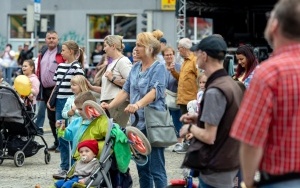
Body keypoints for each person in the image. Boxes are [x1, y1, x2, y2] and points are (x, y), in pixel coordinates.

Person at [230, 0, 300, 187]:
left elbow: (250, 139)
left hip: (283, 180)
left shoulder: (269, 73)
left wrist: (248, 181)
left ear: (275, 25)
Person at [101, 29, 168, 188]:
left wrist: (137, 104)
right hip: (137, 124)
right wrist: (110, 105)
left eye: (139, 45)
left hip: (154, 123)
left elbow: (155, 92)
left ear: (149, 49)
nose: (135, 48)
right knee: (142, 166)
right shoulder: (136, 68)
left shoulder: (158, 68)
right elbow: (125, 91)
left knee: (156, 168)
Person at [179, 35, 244, 188]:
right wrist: (199, 118)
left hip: (216, 167)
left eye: (197, 52)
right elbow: (227, 120)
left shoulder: (215, 90)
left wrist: (189, 128)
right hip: (227, 161)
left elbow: (209, 137)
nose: (195, 56)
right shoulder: (231, 83)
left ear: (205, 55)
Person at [49, 40, 85, 179]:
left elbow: (82, 86)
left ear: (71, 51)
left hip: (72, 103)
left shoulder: (77, 68)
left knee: (74, 135)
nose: (61, 52)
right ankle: (64, 167)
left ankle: (75, 166)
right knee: (62, 134)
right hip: (59, 103)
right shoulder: (60, 67)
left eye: (63, 50)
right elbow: (57, 85)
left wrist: (78, 105)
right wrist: (51, 99)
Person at [36, 31, 65, 151]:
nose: (51, 40)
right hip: (45, 90)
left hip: (58, 89)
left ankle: (61, 143)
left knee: (59, 117)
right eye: (49, 38)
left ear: (58, 40)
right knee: (51, 117)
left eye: (54, 38)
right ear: (46, 40)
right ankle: (56, 141)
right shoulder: (43, 53)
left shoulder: (61, 53)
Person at [100, 35, 132, 127]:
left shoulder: (123, 61)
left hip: (117, 104)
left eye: (105, 45)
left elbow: (131, 83)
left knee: (116, 134)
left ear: (113, 46)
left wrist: (112, 78)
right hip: (109, 104)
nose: (104, 49)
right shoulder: (113, 62)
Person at [162, 46, 183, 152]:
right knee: (164, 120)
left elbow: (182, 81)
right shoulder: (160, 67)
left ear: (174, 55)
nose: (169, 56)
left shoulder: (179, 67)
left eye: (171, 54)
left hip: (175, 97)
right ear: (163, 56)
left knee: (177, 119)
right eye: (167, 55)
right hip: (163, 98)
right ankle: (165, 141)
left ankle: (179, 142)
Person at [169, 38, 198, 115]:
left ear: (184, 48)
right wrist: (173, 71)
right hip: (183, 100)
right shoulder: (185, 61)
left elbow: (200, 78)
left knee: (189, 124)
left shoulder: (194, 61)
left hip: (191, 101)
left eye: (179, 48)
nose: (178, 50)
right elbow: (181, 79)